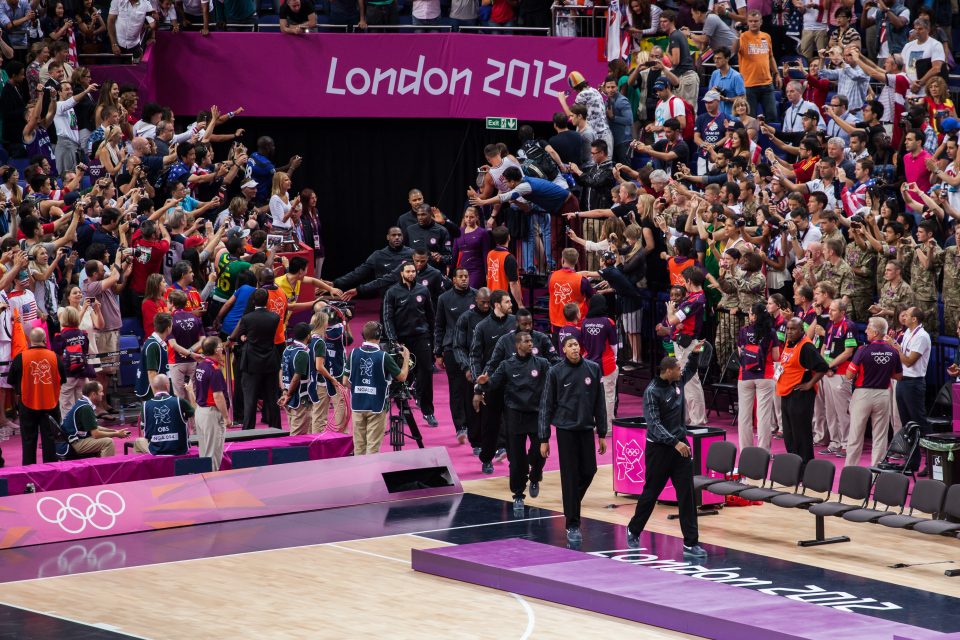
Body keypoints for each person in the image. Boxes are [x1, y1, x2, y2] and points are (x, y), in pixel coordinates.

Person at [626, 350, 708, 558]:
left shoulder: (677, 382)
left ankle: (691, 543)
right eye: (678, 369)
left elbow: (690, 369)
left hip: (680, 447)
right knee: (651, 493)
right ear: (668, 371)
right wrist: (675, 443)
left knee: (687, 496)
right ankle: (634, 529)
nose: (681, 372)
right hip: (660, 450)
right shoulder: (652, 392)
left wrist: (695, 354)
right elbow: (654, 425)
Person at [539, 336, 607, 546]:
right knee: (570, 476)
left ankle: (571, 503)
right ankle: (573, 524)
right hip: (565, 430)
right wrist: (544, 438)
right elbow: (546, 405)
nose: (575, 348)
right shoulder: (555, 372)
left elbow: (600, 402)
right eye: (570, 345)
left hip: (586, 429)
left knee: (590, 470)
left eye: (577, 344)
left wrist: (602, 433)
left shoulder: (593, 369)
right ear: (563, 350)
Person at [474, 331, 550, 513]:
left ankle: (535, 475)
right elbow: (492, 383)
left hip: (536, 415)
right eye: (526, 341)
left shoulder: (542, 363)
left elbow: (552, 384)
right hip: (515, 415)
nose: (531, 343)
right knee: (517, 460)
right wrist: (483, 384)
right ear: (518, 345)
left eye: (531, 340)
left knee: (540, 452)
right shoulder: (507, 365)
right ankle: (517, 495)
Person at [382, 261, 436, 427]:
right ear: (402, 273)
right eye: (408, 271)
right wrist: (393, 339)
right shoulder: (392, 293)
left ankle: (428, 411)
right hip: (402, 340)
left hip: (422, 336)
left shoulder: (423, 290)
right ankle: (403, 410)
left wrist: (433, 338)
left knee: (426, 371)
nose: (412, 274)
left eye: (413, 271)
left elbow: (430, 315)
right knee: (403, 377)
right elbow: (387, 317)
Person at [346, 321, 410, 455]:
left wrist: (360, 388)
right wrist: (406, 358)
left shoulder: (353, 353)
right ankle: (370, 476)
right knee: (373, 449)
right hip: (377, 406)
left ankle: (359, 475)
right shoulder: (383, 356)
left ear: (363, 335)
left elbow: (345, 381)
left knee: (359, 447)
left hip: (358, 405)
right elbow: (402, 377)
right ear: (379, 336)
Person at [845, 317, 902, 466]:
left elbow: (849, 375)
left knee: (856, 434)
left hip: (863, 394)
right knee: (880, 436)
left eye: (868, 329)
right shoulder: (893, 351)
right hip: (883, 394)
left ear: (875, 332)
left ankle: (850, 469)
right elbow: (898, 376)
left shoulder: (863, 350)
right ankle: (877, 469)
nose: (865, 331)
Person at [470, 289, 516, 473]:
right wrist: (478, 383)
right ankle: (486, 458)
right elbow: (474, 356)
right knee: (490, 423)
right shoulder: (482, 327)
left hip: (513, 383)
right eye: (507, 302)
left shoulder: (515, 323)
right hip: (492, 384)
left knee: (514, 425)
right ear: (497, 304)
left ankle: (516, 461)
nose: (511, 305)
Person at [776, 317, 829, 464]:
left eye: (793, 329)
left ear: (802, 330)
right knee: (789, 434)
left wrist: (809, 384)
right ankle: (793, 465)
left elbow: (823, 367)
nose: (790, 332)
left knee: (801, 433)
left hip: (800, 394)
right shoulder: (790, 343)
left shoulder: (806, 346)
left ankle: (805, 466)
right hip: (786, 392)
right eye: (788, 329)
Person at [8, 327, 65, 465]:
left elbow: (11, 381)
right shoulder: (55, 357)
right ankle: (51, 470)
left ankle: (28, 471)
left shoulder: (20, 358)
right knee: (50, 439)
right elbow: (62, 380)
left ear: (29, 341)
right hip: (50, 403)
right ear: (45, 340)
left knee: (28, 439)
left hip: (27, 403)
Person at [228, 288, 281, 431]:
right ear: (267, 301)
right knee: (272, 397)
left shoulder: (247, 318)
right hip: (270, 361)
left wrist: (245, 338)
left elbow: (240, 335)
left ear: (252, 301)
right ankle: (276, 427)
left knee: (250, 398)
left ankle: (248, 430)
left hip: (251, 362)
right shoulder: (274, 317)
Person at [435, 267, 476, 443]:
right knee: (456, 388)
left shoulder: (477, 296)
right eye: (460, 276)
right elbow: (439, 326)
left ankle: (472, 426)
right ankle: (460, 426)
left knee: (472, 388)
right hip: (451, 347)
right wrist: (438, 352)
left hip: (473, 349)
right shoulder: (444, 299)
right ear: (453, 279)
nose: (464, 279)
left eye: (466, 276)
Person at [889, 306, 931, 473]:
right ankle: (912, 462)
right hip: (903, 381)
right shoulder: (907, 332)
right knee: (907, 424)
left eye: (907, 315)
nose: (903, 316)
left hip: (914, 383)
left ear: (914, 319)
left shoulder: (922, 336)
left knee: (919, 422)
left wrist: (895, 347)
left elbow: (908, 361)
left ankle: (931, 461)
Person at [665, 266, 707, 426]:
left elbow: (673, 320)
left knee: (691, 381)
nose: (683, 283)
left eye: (684, 280)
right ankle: (688, 418)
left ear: (689, 281)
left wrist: (670, 311)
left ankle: (698, 419)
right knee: (685, 380)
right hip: (683, 343)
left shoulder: (695, 300)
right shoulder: (695, 298)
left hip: (688, 345)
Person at [737, 302, 779, 451]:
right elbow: (776, 356)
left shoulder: (743, 331)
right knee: (764, 416)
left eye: (750, 313)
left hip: (745, 376)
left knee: (744, 417)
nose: (749, 315)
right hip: (765, 375)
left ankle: (745, 451)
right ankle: (763, 452)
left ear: (754, 316)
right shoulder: (771, 332)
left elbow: (740, 354)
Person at [818, 300, 858, 457]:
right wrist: (823, 364)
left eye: (834, 310)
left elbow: (849, 351)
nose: (831, 313)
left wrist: (831, 366)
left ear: (842, 312)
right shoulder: (830, 324)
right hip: (828, 372)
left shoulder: (849, 326)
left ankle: (847, 443)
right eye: (830, 310)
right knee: (830, 410)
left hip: (841, 373)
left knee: (843, 411)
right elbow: (824, 346)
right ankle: (834, 442)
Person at [454, 288, 490, 454]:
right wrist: (466, 367)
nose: (486, 305)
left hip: (491, 368)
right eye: (483, 302)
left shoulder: (495, 318)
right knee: (474, 407)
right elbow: (459, 346)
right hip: (473, 367)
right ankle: (476, 442)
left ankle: (495, 441)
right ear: (476, 300)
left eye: (489, 302)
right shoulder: (466, 318)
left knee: (492, 407)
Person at [59, 380, 131, 458]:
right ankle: (105, 469)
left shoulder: (83, 402)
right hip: (74, 444)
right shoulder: (86, 408)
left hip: (74, 440)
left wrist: (115, 431)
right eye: (101, 392)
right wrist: (116, 434)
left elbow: (95, 427)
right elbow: (96, 434)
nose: (103, 394)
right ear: (93, 394)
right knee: (108, 442)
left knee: (105, 439)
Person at [580, 295, 618, 435]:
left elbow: (583, 345)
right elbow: (614, 345)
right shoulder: (608, 322)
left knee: (594, 397)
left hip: (590, 365)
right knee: (608, 397)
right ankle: (607, 427)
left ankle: (597, 425)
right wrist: (615, 358)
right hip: (607, 365)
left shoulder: (584, 322)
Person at [134, 373, 194, 458]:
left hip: (156, 451)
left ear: (153, 387)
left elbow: (144, 432)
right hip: (179, 450)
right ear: (167, 385)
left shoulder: (145, 405)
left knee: (138, 442)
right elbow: (194, 414)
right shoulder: (179, 401)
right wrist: (190, 392)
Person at [737, 10, 781, 120]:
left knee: (772, 116)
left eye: (756, 21)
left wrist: (777, 73)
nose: (753, 23)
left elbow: (770, 57)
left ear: (761, 22)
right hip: (749, 85)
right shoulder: (742, 37)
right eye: (751, 21)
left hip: (767, 84)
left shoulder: (767, 36)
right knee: (750, 119)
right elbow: (734, 50)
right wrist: (736, 38)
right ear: (747, 22)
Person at [547, 247, 593, 336]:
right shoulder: (582, 280)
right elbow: (590, 298)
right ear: (576, 261)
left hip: (556, 321)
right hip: (576, 323)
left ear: (562, 259)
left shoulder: (551, 276)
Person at [280, 322, 313, 435]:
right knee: (297, 437)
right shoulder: (302, 354)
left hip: (289, 398)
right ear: (307, 336)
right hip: (299, 400)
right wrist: (288, 394)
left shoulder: (287, 349)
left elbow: (281, 371)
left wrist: (284, 391)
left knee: (296, 432)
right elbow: (296, 378)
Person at [134, 312, 172, 401]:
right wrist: (157, 396)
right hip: (152, 392)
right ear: (168, 328)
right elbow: (151, 372)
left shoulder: (156, 342)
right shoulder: (153, 345)